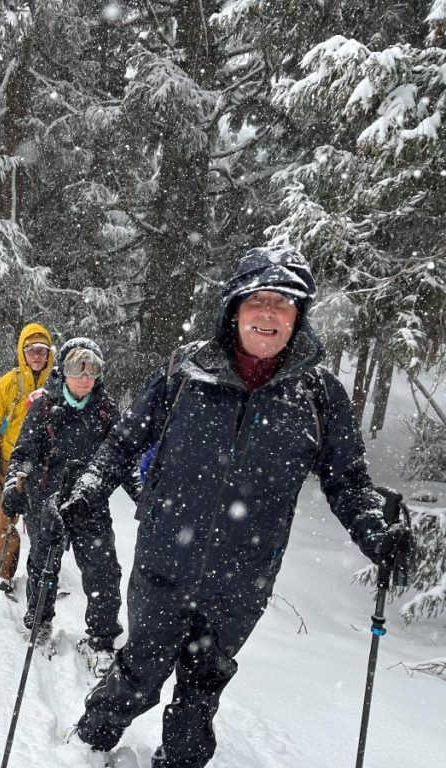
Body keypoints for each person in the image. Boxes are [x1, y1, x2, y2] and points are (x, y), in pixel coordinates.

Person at [67, 246, 411, 767]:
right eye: (258, 300)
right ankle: (87, 742)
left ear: (299, 316)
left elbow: (348, 480)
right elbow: (124, 441)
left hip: (243, 575)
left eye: (284, 303)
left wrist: (375, 534)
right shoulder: (185, 372)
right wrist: (89, 486)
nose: (269, 314)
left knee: (202, 690)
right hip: (165, 560)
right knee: (140, 669)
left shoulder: (318, 394)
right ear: (234, 307)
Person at [2, 338, 138, 668]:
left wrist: (144, 495)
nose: (84, 376)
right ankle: (38, 621)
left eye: (92, 368)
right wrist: (14, 484)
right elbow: (24, 453)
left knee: (103, 569)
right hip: (45, 499)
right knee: (43, 564)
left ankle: (102, 638)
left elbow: (124, 459)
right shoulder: (45, 407)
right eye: (78, 366)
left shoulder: (107, 411)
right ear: (64, 371)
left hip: (90, 502)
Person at [0, 323, 55, 593]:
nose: (37, 355)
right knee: (6, 520)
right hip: (10, 461)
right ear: (22, 352)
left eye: (42, 350)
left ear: (49, 353)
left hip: (46, 464)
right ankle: (3, 574)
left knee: (42, 523)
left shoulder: (58, 381)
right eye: (31, 350)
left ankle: (42, 579)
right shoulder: (9, 382)